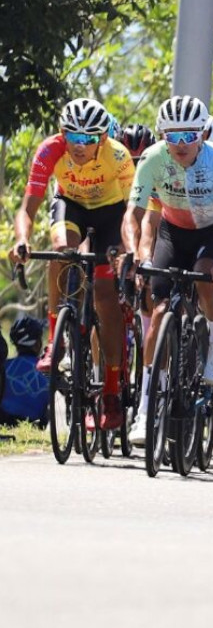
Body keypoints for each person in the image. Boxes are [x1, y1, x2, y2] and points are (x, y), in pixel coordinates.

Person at [124, 96, 213, 445]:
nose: (179, 145)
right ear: (162, 135)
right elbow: (134, 215)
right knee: (158, 311)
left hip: (210, 234)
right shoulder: (152, 158)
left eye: (188, 136)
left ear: (202, 135)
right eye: (172, 136)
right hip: (172, 233)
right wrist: (135, 253)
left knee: (207, 274)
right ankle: (146, 406)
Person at [10, 97, 133, 431]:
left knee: (105, 295)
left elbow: (131, 214)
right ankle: (56, 340)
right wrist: (21, 240)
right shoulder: (51, 149)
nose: (79, 146)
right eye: (72, 137)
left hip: (112, 215)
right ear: (62, 133)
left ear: (102, 138)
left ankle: (109, 391)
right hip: (70, 205)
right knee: (62, 251)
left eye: (88, 139)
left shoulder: (119, 157)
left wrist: (126, 251)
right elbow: (28, 208)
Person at [2, 317, 51, 426]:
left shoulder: (4, 366)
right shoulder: (47, 369)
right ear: (37, 343)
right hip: (35, 423)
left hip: (4, 420)